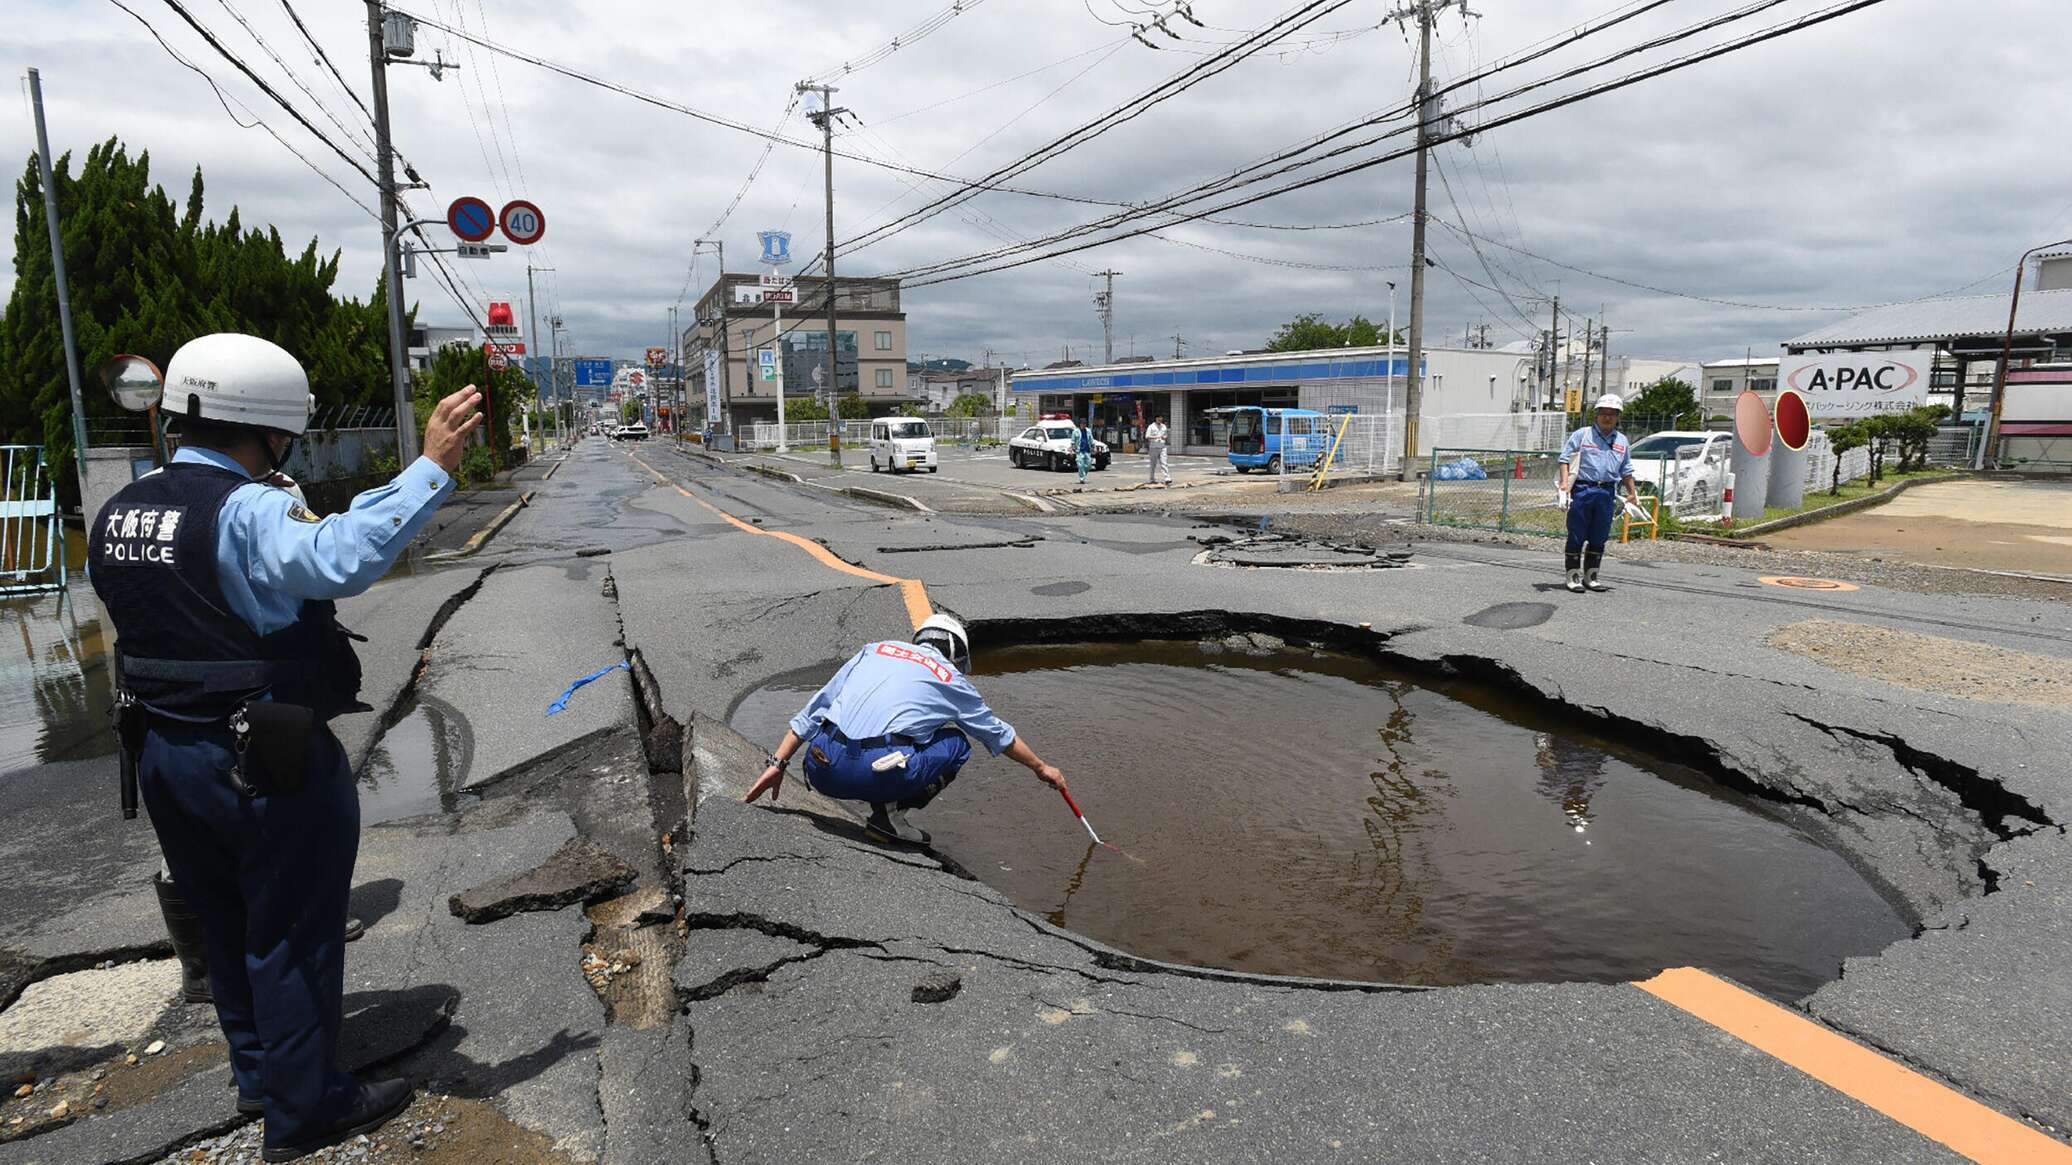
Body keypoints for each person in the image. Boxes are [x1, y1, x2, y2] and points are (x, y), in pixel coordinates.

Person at [90, 333, 482, 1162]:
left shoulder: (123, 510)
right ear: (271, 428)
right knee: (294, 925)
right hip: (260, 751)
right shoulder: (248, 509)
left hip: (163, 749)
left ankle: (263, 1073)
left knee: (225, 922)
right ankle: (308, 1108)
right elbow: (339, 555)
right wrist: (432, 467)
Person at [744, 614, 1069, 845]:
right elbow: (998, 734)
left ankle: (881, 801)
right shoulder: (949, 678)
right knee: (957, 742)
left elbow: (816, 708)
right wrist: (1041, 767)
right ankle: (890, 816)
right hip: (870, 772)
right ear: (957, 654)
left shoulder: (875, 650)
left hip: (820, 767)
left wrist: (777, 764)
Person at [1555, 393, 1645, 594]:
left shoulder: (1622, 441)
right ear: (1596, 415)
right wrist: (1564, 484)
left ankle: (1592, 575)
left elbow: (1626, 469)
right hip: (1583, 489)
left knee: (1599, 535)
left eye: (1612, 414)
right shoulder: (1582, 435)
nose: (1607, 417)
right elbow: (1565, 459)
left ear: (1618, 417)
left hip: (1607, 492)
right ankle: (1573, 576)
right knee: (1577, 534)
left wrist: (1632, 493)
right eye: (1604, 413)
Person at [1144, 414, 1173, 485]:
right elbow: (1147, 436)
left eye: (1161, 419)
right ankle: (1152, 478)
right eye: (1159, 419)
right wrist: (1155, 437)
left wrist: (1164, 437)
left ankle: (1167, 478)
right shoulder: (1151, 426)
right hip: (1153, 447)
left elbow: (1166, 435)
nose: (1160, 420)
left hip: (1162, 447)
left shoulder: (1164, 426)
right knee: (1153, 464)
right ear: (1156, 419)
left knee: (1164, 462)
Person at [1074, 418, 1094, 484]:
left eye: (1085, 424)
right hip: (1079, 451)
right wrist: (1072, 449)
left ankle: (1083, 474)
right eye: (1082, 424)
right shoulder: (1075, 431)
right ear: (1080, 424)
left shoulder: (1088, 431)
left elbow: (1091, 440)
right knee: (1080, 465)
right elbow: (1072, 441)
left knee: (1088, 465)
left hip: (1087, 450)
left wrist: (1093, 446)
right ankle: (1082, 478)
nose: (1084, 425)